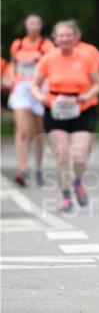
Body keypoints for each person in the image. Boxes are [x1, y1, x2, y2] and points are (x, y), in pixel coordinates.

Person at [32, 20, 99, 212]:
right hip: (56, 109)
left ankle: (78, 181)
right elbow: (35, 85)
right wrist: (40, 97)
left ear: (75, 37)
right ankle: (66, 196)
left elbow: (98, 82)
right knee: (62, 155)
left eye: (68, 35)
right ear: (55, 39)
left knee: (79, 155)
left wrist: (89, 94)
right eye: (61, 36)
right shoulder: (48, 58)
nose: (65, 39)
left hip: (82, 108)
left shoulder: (86, 57)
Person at [8, 14, 54, 187]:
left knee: (38, 133)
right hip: (21, 90)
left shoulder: (46, 45)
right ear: (25, 26)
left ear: (41, 26)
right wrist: (10, 77)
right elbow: (13, 64)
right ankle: (22, 170)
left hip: (39, 89)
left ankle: (39, 168)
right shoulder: (17, 44)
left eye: (37, 23)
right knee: (22, 131)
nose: (34, 26)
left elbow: (52, 66)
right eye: (30, 23)